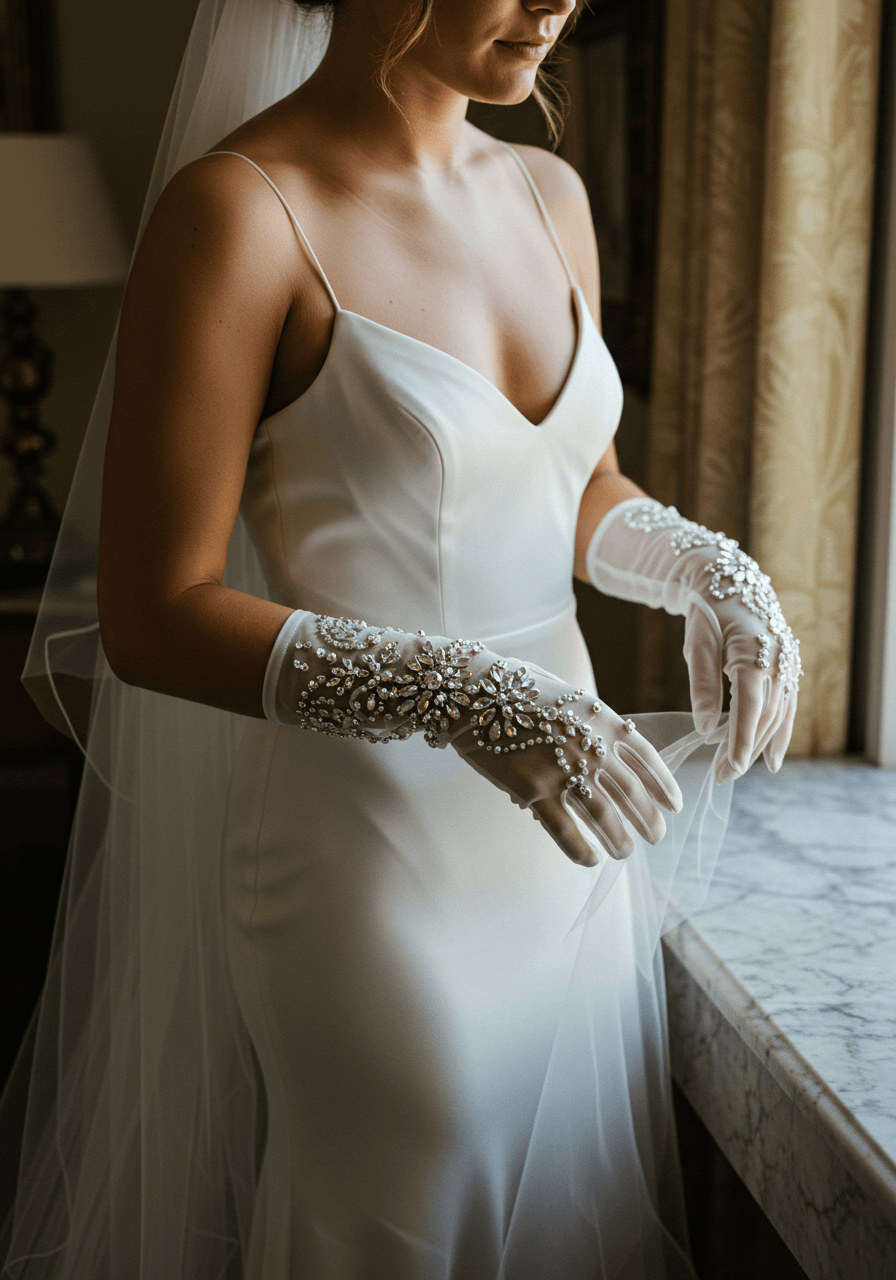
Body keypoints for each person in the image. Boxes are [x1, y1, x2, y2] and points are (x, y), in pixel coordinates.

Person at [1, 1, 800, 1276]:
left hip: (572, 830)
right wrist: (473, 699)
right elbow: (155, 613)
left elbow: (567, 484)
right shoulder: (242, 210)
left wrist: (713, 573)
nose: (554, 2)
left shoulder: (550, 191)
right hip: (371, 864)